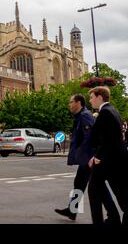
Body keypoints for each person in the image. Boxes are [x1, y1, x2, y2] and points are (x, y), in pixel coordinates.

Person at [55, 94, 119, 222]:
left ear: (78, 103)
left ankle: (113, 215)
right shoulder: (80, 116)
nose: (69, 104)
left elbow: (91, 138)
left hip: (89, 158)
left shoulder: (85, 116)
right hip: (86, 158)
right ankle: (72, 210)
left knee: (99, 187)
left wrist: (88, 157)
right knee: (79, 183)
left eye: (71, 102)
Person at [87, 86, 128, 226]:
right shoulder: (113, 110)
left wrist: (97, 156)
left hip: (108, 161)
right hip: (115, 160)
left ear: (100, 97)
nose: (90, 101)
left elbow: (106, 138)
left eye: (92, 97)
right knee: (119, 192)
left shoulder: (105, 113)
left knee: (95, 189)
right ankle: (113, 219)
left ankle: (104, 220)